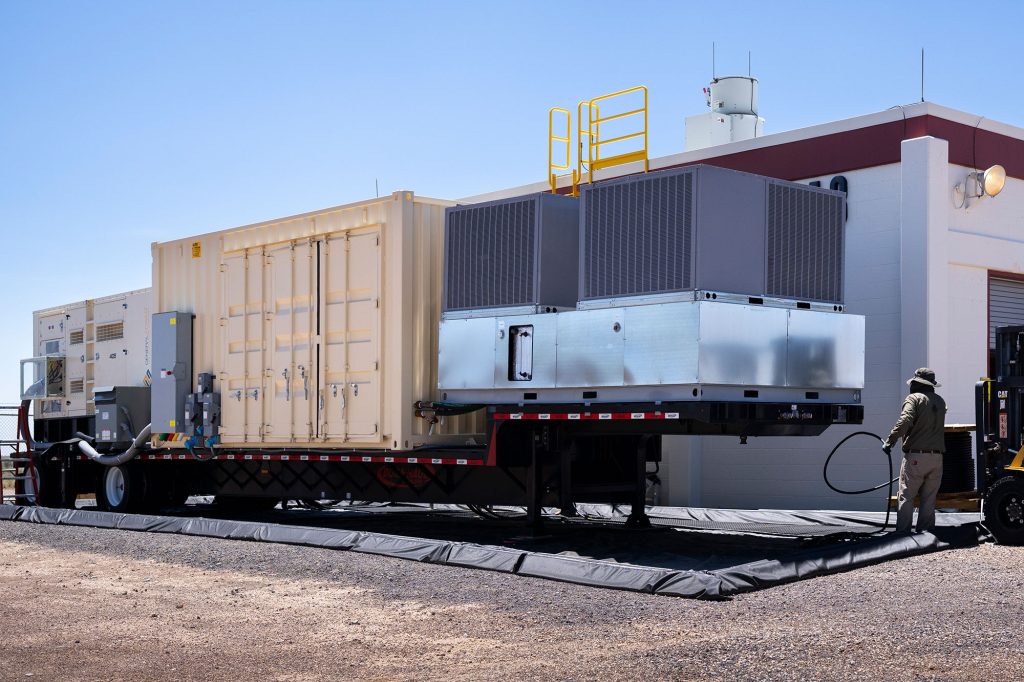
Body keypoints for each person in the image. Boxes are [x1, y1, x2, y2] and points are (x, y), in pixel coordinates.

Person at [882, 368, 947, 533]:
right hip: (937, 458)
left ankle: (902, 536)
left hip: (916, 457)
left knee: (906, 495)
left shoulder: (913, 398)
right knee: (929, 499)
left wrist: (890, 441)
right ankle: (925, 536)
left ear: (916, 383)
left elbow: (905, 420)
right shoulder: (940, 401)